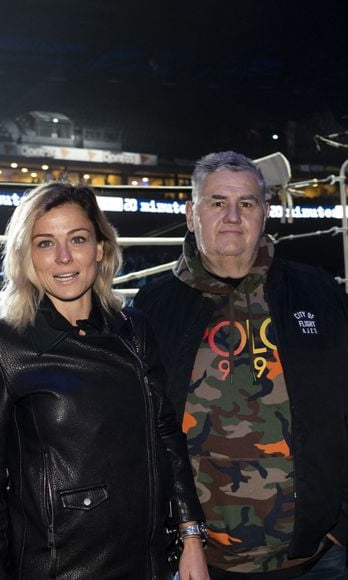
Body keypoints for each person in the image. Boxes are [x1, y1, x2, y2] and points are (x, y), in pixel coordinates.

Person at [0, 182, 210, 580]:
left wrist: (191, 535)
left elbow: (167, 438)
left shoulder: (134, 331)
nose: (63, 257)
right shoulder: (1, 348)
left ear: (101, 248)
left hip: (148, 562)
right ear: (27, 255)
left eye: (77, 239)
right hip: (58, 567)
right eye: (45, 243)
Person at [134, 151, 348, 579]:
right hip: (204, 563)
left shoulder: (318, 292)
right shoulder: (153, 308)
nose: (232, 216)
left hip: (318, 557)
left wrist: (342, 523)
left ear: (264, 215)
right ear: (192, 214)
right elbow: (144, 437)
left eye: (246, 203)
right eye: (216, 202)